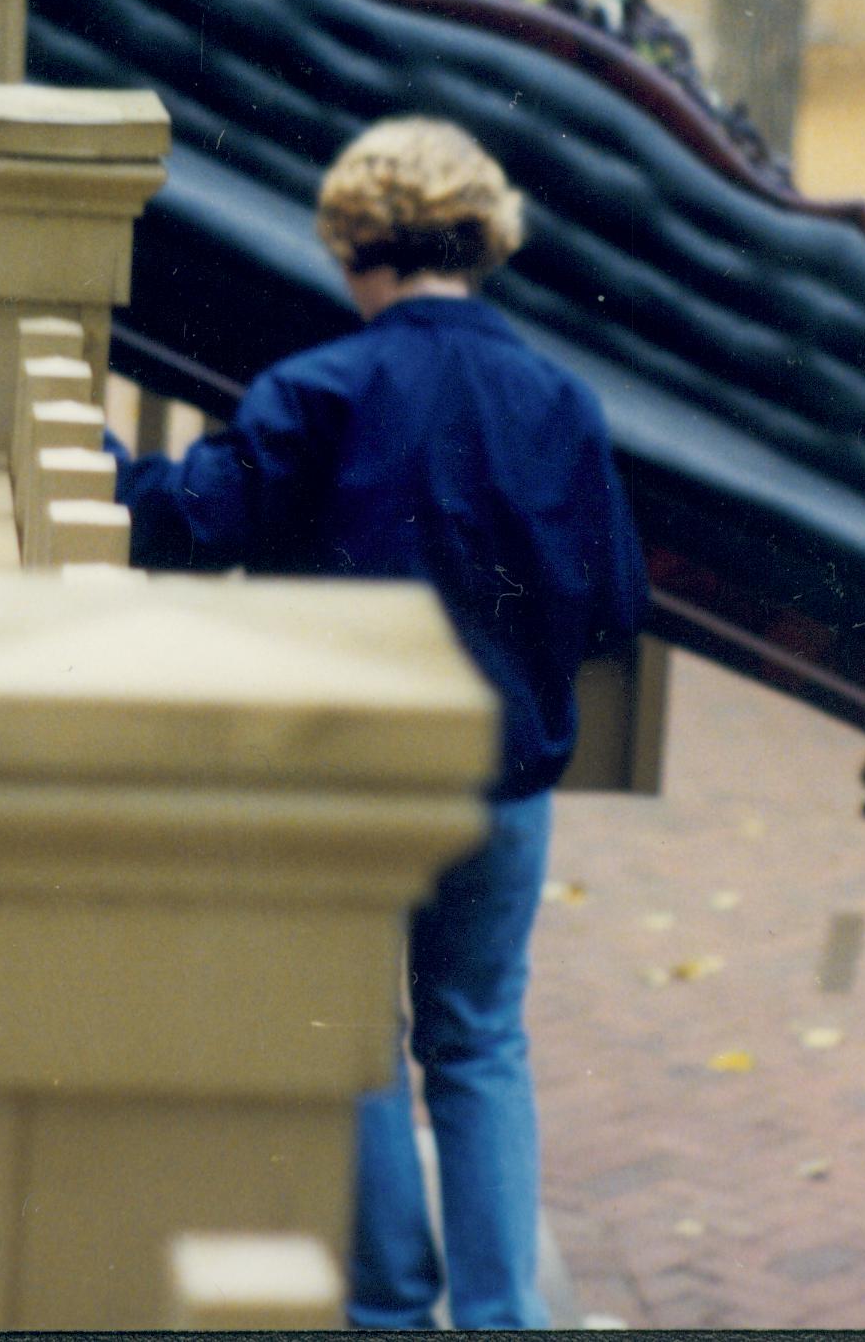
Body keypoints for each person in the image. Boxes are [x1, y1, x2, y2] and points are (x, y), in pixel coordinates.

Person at [111, 116, 648, 1330]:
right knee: (479, 1043)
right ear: (481, 239)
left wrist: (105, 466)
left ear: (354, 241)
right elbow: (615, 598)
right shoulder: (557, 399)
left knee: (351, 1038)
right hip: (501, 781)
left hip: (347, 782)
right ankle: (502, 1314)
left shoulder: (322, 389)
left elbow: (192, 521)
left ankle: (390, 1308)